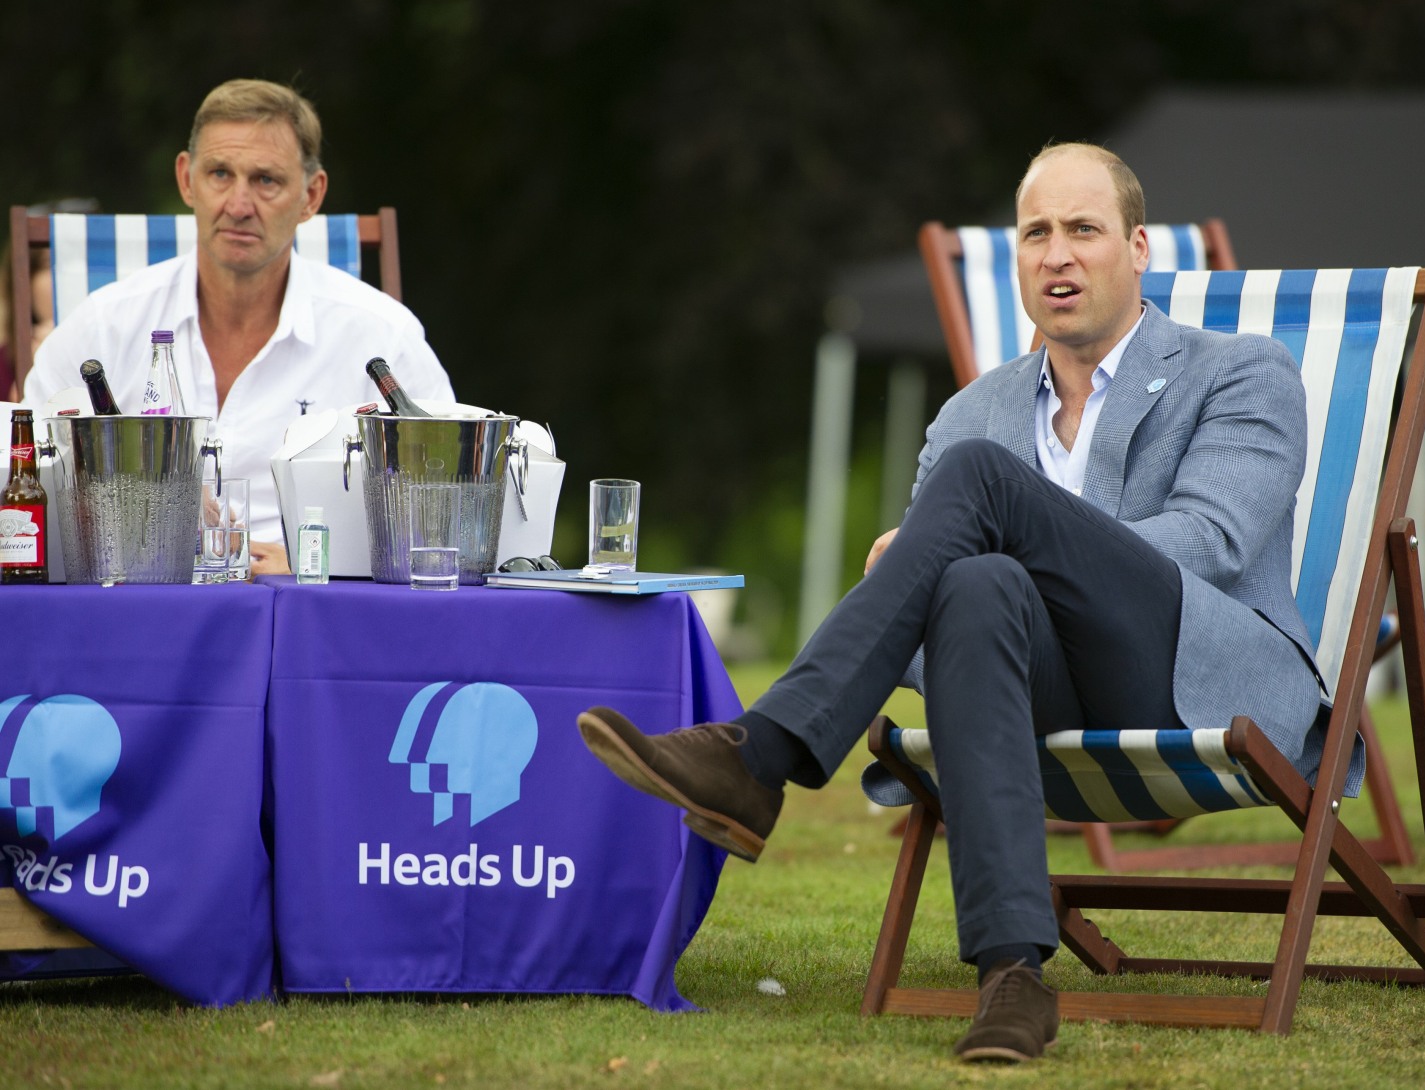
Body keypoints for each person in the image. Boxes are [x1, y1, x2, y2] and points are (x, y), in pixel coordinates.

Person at [577, 142, 1349, 1064]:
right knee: (978, 584)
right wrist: (930, 572)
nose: (1057, 254)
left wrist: (1015, 526)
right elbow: (925, 626)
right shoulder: (970, 414)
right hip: (1041, 683)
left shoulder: (1240, 372)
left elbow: (1210, 542)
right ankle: (1012, 977)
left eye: (1084, 230)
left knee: (986, 503)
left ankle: (763, 752)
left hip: (1190, 674)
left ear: (1139, 249)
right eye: (1036, 233)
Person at [22, 79, 454, 573]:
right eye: (220, 173)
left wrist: (315, 561)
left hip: (307, 615)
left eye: (266, 180)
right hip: (138, 604)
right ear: (187, 180)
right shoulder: (104, 327)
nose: (239, 204)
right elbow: (25, 474)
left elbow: (443, 511)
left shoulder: (380, 335)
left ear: (311, 196)